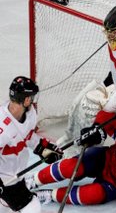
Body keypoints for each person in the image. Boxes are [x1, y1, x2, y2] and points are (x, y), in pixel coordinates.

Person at [26, 110, 116, 207]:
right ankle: (34, 180)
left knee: (91, 195)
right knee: (70, 167)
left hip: (115, 186)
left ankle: (50, 195)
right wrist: (98, 129)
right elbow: (110, 115)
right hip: (103, 160)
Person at [0, 76, 63, 213]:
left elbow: (27, 136)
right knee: (33, 208)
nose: (33, 99)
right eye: (32, 96)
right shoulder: (2, 127)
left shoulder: (29, 114)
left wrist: (42, 148)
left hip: (16, 177)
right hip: (5, 180)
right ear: (26, 99)